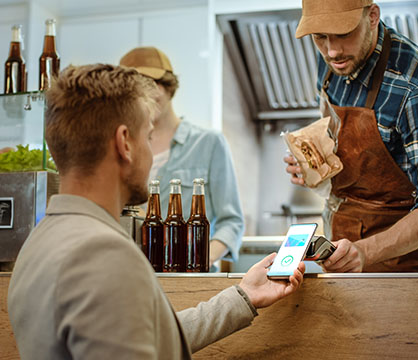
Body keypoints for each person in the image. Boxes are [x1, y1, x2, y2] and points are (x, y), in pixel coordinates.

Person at [7, 64, 305, 359]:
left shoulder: (36, 243)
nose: (153, 154)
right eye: (148, 137)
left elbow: (147, 337)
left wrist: (243, 297)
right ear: (125, 143)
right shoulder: (103, 253)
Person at [285, 0, 418, 272]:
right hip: (340, 245)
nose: (332, 50)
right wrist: (316, 167)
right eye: (320, 37)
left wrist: (364, 251)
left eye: (344, 34)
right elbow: (343, 144)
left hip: (401, 267)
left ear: (373, 16)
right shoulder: (331, 62)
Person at [119, 47, 244, 270]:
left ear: (168, 87)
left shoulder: (209, 143)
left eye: (150, 85)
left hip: (190, 279)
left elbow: (231, 222)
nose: (144, 97)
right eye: (134, 91)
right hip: (135, 274)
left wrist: (199, 260)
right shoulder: (123, 147)